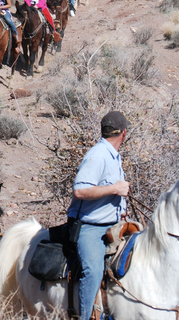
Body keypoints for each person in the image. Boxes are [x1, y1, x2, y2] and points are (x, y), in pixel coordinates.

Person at [66, 111, 131, 320]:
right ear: (124, 133)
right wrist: (114, 189)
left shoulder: (113, 155)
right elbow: (80, 191)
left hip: (113, 224)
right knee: (93, 271)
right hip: (90, 227)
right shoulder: (98, 155)